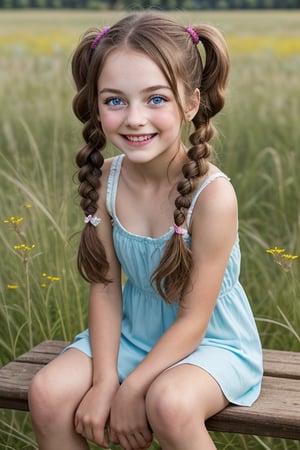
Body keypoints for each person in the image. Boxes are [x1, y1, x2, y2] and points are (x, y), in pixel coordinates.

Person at [28, 11, 263, 450]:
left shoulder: (212, 197)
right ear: (95, 104)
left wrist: (132, 388)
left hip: (210, 340)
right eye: (115, 100)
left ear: (191, 103)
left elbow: (194, 320)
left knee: (168, 403)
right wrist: (103, 384)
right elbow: (104, 288)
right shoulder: (105, 181)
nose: (134, 118)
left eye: (156, 99)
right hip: (134, 331)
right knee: (48, 394)